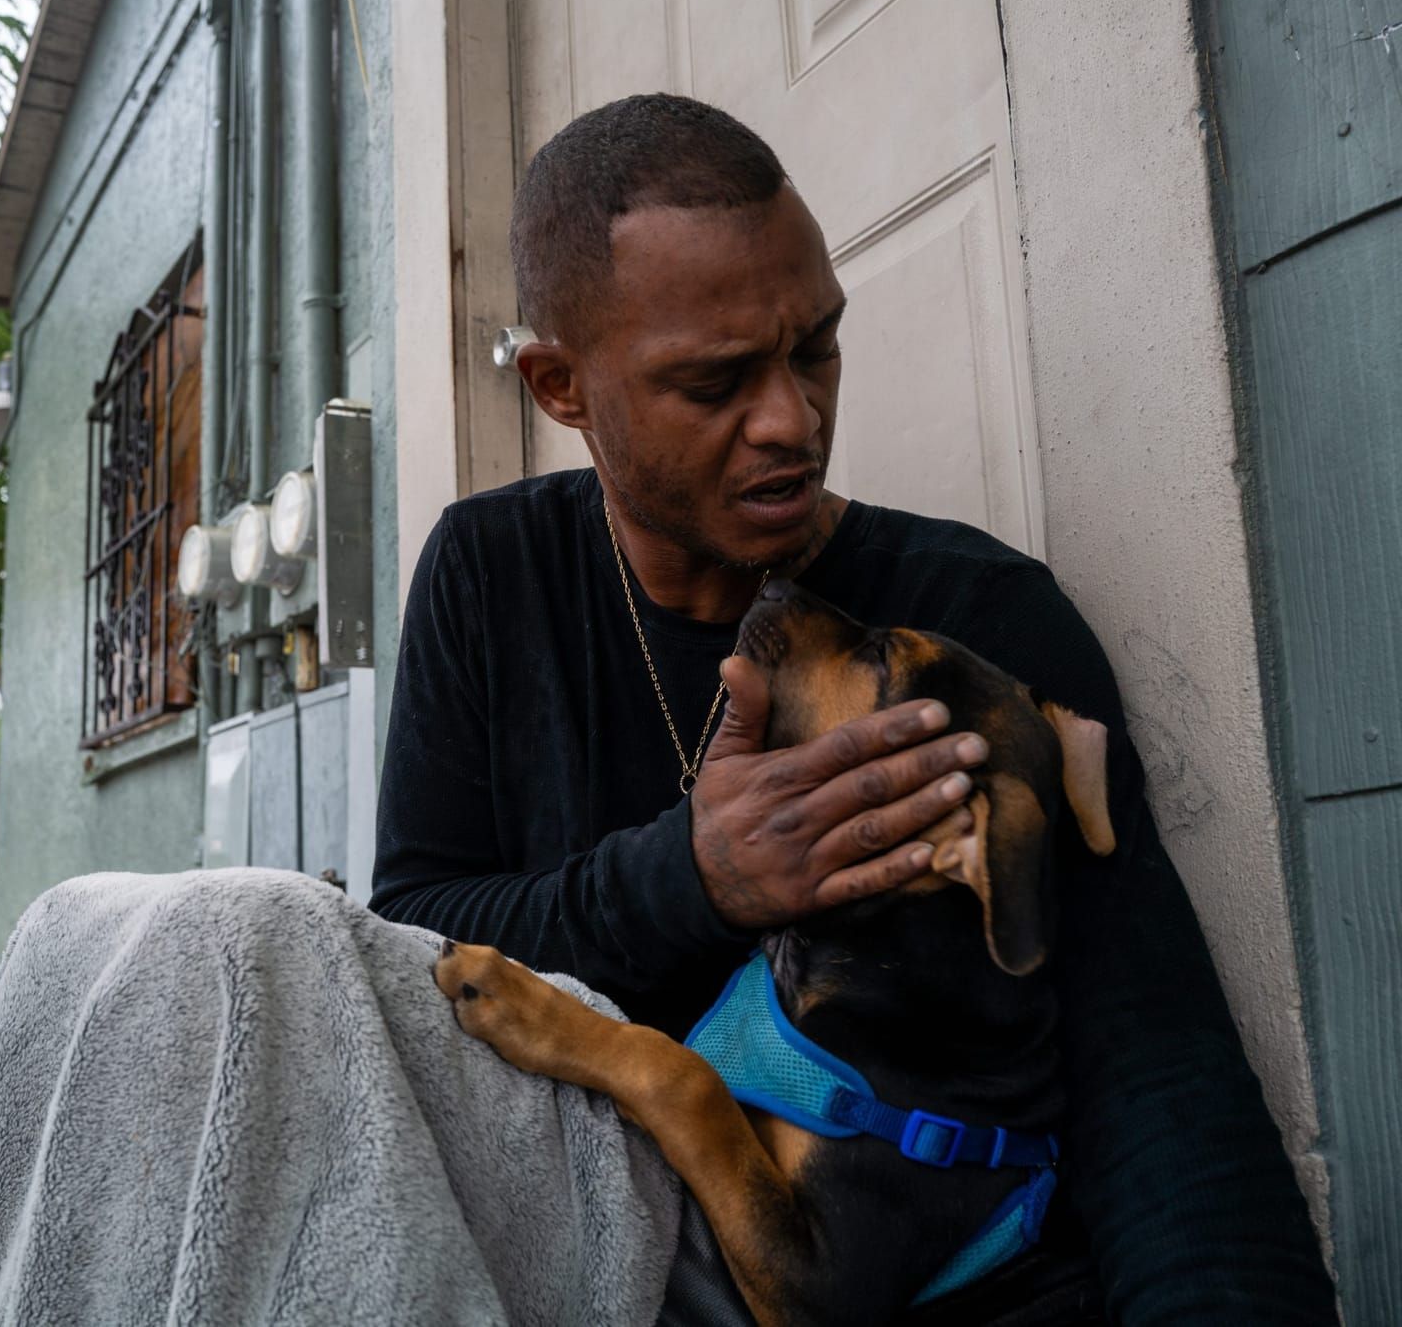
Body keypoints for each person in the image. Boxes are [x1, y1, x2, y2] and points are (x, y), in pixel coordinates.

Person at [372, 95, 1333, 1323]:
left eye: (814, 347)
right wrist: (694, 876)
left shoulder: (973, 615)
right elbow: (412, 944)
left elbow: (1151, 1078)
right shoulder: (490, 575)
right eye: (716, 381)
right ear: (562, 386)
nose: (793, 419)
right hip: (615, 1268)